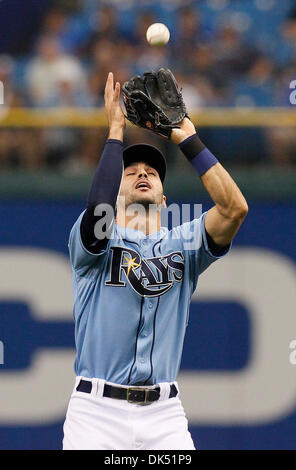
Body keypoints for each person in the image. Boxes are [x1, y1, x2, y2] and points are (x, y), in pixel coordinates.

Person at [62, 72, 248, 450]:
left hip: (164, 416)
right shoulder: (94, 240)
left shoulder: (186, 243)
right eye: (130, 172)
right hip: (96, 413)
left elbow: (233, 209)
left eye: (151, 172)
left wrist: (186, 138)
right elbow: (98, 208)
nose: (143, 173)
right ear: (114, 195)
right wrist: (116, 132)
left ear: (164, 200)